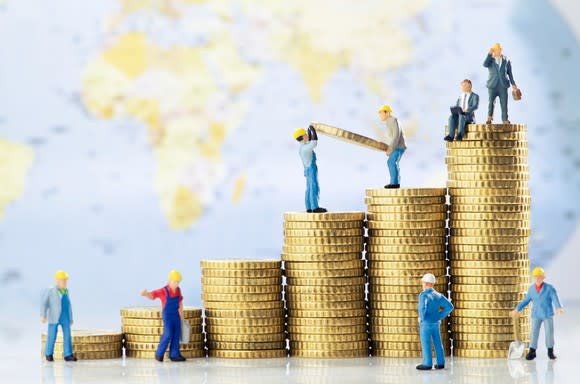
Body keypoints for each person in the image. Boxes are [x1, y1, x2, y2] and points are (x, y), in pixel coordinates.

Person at [510, 267, 564, 360]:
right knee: (534, 333)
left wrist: (558, 307)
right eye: (536, 277)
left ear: (543, 277)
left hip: (547, 314)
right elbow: (526, 301)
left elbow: (555, 298)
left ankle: (550, 351)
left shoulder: (549, 288)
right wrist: (517, 309)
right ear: (534, 277)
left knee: (549, 333)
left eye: (540, 277)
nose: (538, 279)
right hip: (536, 314)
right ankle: (532, 351)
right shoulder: (531, 289)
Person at [141, 270, 187, 362]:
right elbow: (153, 295)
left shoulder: (178, 290)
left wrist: (182, 315)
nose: (176, 284)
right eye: (174, 281)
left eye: (178, 282)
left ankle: (174, 354)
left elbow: (180, 302)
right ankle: (159, 353)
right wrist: (146, 294)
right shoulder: (164, 291)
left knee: (176, 334)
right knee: (168, 333)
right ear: (169, 281)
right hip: (168, 316)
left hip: (176, 316)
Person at [416, 273, 453, 371]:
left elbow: (422, 308)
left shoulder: (423, 295)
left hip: (426, 323)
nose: (422, 284)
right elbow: (450, 307)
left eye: (423, 282)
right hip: (436, 323)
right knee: (438, 342)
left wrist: (422, 318)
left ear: (426, 283)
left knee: (426, 342)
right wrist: (439, 316)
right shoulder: (438, 295)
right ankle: (441, 363)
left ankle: (427, 363)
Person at [41, 270, 77, 362]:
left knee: (67, 335)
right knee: (52, 336)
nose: (65, 282)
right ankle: (48, 354)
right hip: (54, 317)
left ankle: (68, 354)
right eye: (63, 280)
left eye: (66, 280)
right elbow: (44, 303)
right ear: (57, 281)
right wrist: (43, 315)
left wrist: (71, 318)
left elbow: (69, 306)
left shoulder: (66, 291)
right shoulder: (50, 290)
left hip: (65, 317)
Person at [294, 125, 327, 213]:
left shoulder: (302, 147)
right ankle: (315, 207)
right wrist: (313, 132)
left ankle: (309, 207)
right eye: (305, 134)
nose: (307, 135)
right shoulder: (305, 148)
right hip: (311, 169)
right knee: (314, 187)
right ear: (302, 137)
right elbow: (313, 143)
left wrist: (310, 133)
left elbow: (310, 143)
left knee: (309, 188)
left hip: (307, 169)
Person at [483, 43, 518, 124]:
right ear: (493, 51)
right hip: (492, 84)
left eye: (498, 49)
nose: (497, 51)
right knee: (491, 102)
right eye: (495, 50)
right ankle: (489, 118)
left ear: (501, 50)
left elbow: (510, 73)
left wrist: (513, 84)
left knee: (504, 103)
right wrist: (489, 54)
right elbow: (485, 64)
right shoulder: (490, 60)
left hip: (503, 85)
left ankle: (505, 119)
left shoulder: (506, 60)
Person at [378, 105, 406, 189]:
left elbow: (396, 136)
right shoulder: (389, 121)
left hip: (398, 146)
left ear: (387, 113)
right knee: (392, 162)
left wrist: (391, 148)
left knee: (391, 162)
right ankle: (394, 182)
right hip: (397, 146)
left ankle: (394, 183)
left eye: (381, 113)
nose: (380, 115)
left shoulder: (393, 120)